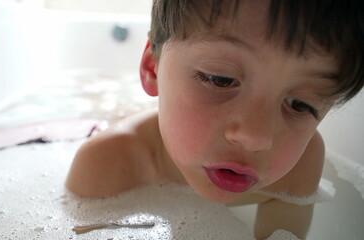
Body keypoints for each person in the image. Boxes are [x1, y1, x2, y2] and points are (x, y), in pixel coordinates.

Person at [66, 0, 364, 239]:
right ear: (153, 69)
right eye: (221, 80)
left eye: (299, 104)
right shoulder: (107, 162)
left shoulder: (300, 165)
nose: (257, 137)